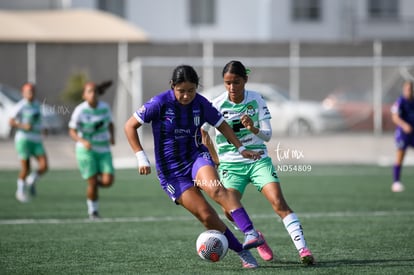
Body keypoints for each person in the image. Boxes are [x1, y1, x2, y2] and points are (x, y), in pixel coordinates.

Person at [124, 65, 266, 269]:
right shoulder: (160, 103)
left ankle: (251, 233)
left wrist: (241, 147)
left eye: (191, 90)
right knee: (207, 216)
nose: (186, 96)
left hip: (196, 158)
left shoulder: (200, 103)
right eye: (182, 91)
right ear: (173, 86)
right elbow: (130, 125)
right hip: (172, 173)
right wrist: (140, 156)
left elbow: (221, 124)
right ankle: (242, 252)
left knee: (217, 189)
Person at [201, 60, 315, 265]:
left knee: (279, 203)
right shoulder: (217, 104)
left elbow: (268, 136)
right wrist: (215, 158)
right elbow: (202, 131)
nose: (232, 87)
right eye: (227, 83)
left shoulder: (256, 100)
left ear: (245, 80)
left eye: (236, 82)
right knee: (228, 211)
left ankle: (304, 251)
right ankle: (257, 237)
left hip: (258, 161)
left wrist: (253, 128)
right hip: (231, 166)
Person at [68, 82, 115, 219]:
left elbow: (110, 123)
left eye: (94, 91)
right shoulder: (80, 110)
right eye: (89, 91)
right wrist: (83, 141)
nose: (92, 94)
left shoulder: (105, 108)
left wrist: (112, 137)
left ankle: (92, 185)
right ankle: (93, 211)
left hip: (104, 149)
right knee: (93, 182)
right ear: (84, 95)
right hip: (86, 150)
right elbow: (72, 131)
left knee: (108, 181)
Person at [9, 82, 48, 202]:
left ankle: (31, 180)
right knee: (26, 168)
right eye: (28, 91)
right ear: (23, 93)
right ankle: (20, 191)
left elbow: (40, 120)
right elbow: (11, 121)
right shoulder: (20, 106)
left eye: (32, 91)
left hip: (36, 140)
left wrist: (44, 129)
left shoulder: (37, 105)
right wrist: (22, 125)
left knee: (44, 166)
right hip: (23, 140)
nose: (30, 93)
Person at [390, 80, 414, 192]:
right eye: (407, 89)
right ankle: (396, 182)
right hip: (403, 134)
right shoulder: (400, 101)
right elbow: (394, 117)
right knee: (400, 156)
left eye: (410, 89)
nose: (409, 91)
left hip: (413, 133)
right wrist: (404, 126)